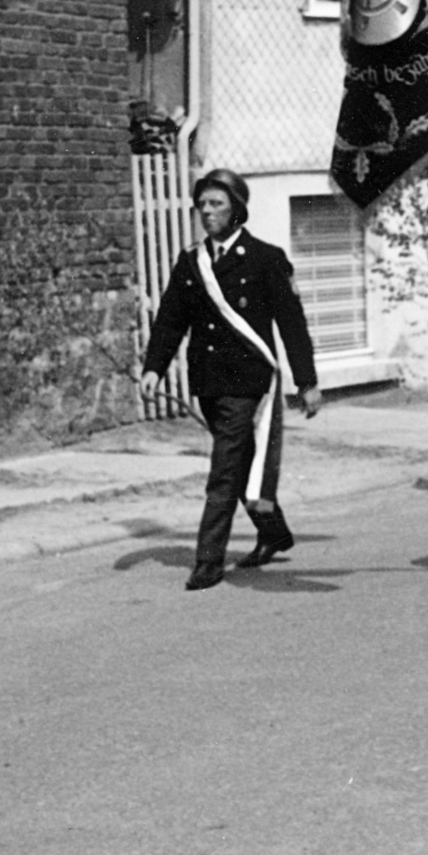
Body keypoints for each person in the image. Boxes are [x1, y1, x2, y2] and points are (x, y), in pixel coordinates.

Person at [139, 169, 322, 590]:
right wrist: (154, 368)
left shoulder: (266, 258)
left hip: (250, 383)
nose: (206, 212)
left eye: (216, 204)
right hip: (208, 383)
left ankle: (207, 561)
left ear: (237, 209)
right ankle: (273, 531)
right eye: (202, 204)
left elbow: (291, 325)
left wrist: (307, 382)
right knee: (238, 466)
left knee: (223, 470)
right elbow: (171, 320)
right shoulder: (191, 261)